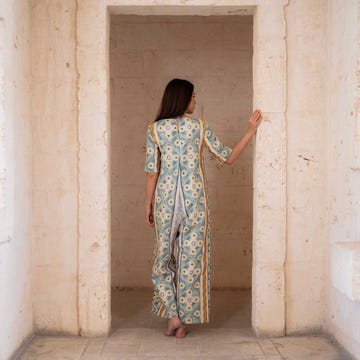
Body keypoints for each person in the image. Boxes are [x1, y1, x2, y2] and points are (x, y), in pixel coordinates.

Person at [144, 78, 262, 338]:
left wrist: (148, 204)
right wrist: (250, 131)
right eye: (193, 96)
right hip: (195, 202)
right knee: (190, 261)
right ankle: (180, 320)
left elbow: (152, 172)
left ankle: (174, 317)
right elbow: (228, 157)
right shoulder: (199, 127)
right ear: (183, 99)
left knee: (162, 261)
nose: (195, 101)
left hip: (165, 202)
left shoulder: (155, 130)